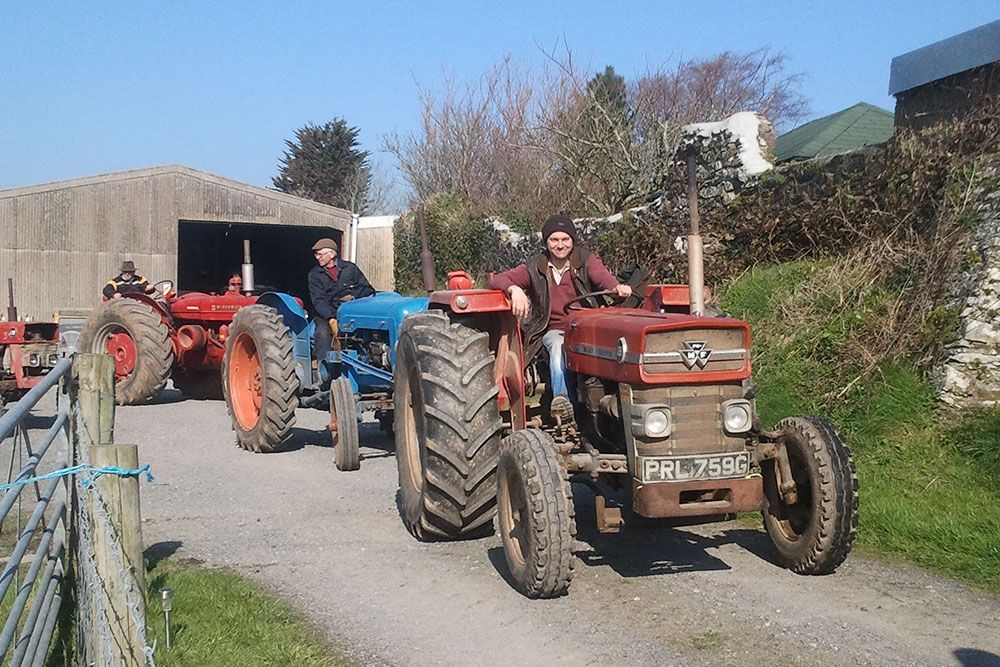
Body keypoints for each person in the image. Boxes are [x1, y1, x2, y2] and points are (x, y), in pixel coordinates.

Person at [488, 214, 632, 423]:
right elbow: (498, 279)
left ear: (572, 241)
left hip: (585, 328)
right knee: (557, 345)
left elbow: (604, 280)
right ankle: (563, 402)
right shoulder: (535, 267)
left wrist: (617, 288)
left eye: (565, 239)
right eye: (554, 240)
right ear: (547, 242)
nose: (560, 245)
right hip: (553, 329)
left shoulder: (585, 261)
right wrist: (514, 289)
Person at [308, 238, 375, 360]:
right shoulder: (315, 275)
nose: (317, 257)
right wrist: (331, 318)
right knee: (323, 334)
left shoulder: (350, 268)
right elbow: (318, 300)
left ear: (332, 254)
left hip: (352, 313)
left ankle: (366, 358)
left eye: (320, 254)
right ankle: (328, 366)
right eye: (316, 254)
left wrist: (353, 297)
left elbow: (367, 289)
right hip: (327, 315)